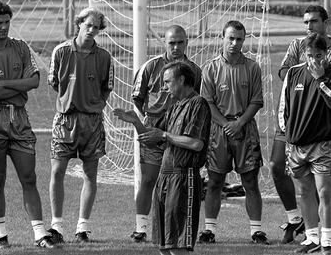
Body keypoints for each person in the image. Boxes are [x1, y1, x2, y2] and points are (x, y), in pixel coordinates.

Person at [0, 1, 54, 249]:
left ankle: (40, 235)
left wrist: (5, 84)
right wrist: (14, 84)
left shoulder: (20, 47)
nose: (3, 28)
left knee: (29, 176)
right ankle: (1, 235)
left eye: (7, 22)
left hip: (19, 117)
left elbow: (34, 81)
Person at [114, 60, 211, 255]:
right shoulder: (174, 107)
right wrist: (136, 122)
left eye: (167, 82)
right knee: (164, 246)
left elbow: (195, 143)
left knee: (178, 245)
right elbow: (155, 140)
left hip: (184, 178)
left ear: (181, 80)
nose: (164, 87)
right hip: (165, 177)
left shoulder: (198, 103)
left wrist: (165, 135)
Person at [199, 20, 269, 244]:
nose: (235, 43)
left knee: (250, 182)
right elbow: (207, 103)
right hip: (218, 131)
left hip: (245, 129)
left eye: (239, 39)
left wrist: (239, 123)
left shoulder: (252, 67)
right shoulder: (210, 69)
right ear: (222, 38)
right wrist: (225, 124)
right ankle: (209, 230)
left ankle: (256, 231)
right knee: (215, 182)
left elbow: (257, 101)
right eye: (231, 38)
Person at [47, 7, 114, 243]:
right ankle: (56, 225)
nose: (92, 30)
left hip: (92, 122)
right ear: (79, 24)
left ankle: (82, 226)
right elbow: (54, 82)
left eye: (96, 27)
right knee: (57, 171)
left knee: (90, 174)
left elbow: (107, 87)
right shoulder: (61, 51)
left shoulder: (104, 56)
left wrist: (94, 104)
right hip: (65, 120)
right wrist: (72, 99)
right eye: (88, 25)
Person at [130, 25, 201, 242]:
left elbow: (196, 100)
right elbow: (137, 98)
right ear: (165, 42)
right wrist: (152, 119)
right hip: (153, 131)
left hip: (181, 133)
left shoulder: (194, 70)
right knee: (149, 178)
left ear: (187, 42)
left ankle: (176, 228)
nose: (176, 47)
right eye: (172, 43)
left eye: (180, 42)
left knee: (178, 181)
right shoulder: (151, 67)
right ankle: (141, 228)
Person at [273, 5, 331, 250]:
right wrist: (289, 136)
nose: (313, 60)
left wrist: (320, 80)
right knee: (305, 192)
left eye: (318, 56)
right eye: (309, 55)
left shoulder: (327, 73)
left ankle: (327, 241)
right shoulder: (293, 73)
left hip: (322, 142)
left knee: (325, 193)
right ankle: (312, 238)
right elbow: (283, 107)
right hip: (297, 144)